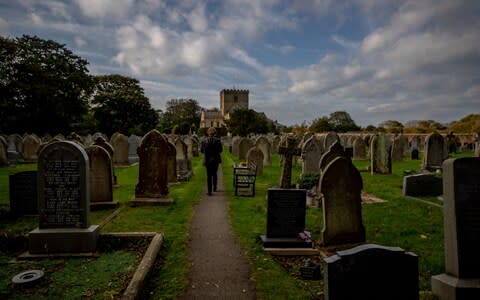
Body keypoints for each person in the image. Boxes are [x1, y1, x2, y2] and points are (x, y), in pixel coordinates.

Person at [200, 127, 223, 195]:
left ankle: (209, 191)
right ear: (215, 133)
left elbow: (201, 151)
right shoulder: (218, 140)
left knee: (209, 175)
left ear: (208, 133)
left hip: (207, 159)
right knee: (215, 173)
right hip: (215, 159)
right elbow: (220, 150)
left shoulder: (204, 141)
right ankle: (215, 187)